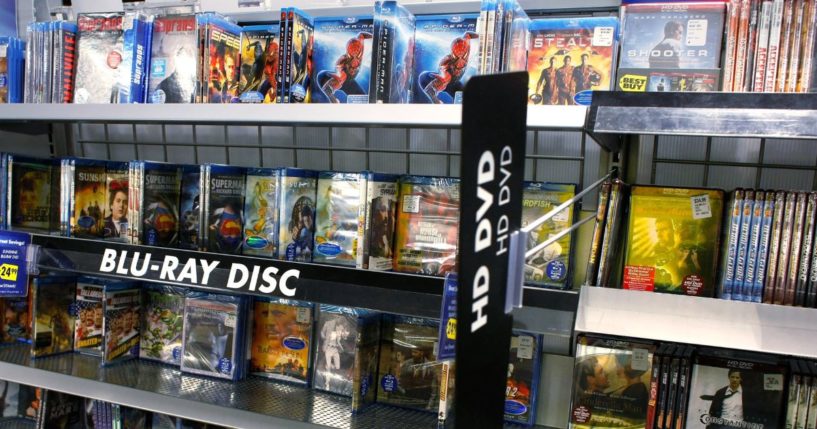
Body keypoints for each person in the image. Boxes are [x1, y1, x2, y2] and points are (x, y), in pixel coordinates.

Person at [417, 32, 479, 104]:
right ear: (453, 54)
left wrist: (482, 36)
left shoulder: (466, 45)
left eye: (463, 57)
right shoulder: (446, 66)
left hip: (453, 83)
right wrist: (436, 101)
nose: (460, 61)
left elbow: (468, 34)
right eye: (456, 58)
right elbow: (429, 89)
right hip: (435, 80)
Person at [317, 32, 373, 103]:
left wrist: (374, 36)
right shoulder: (342, 64)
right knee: (339, 81)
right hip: (330, 78)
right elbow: (327, 88)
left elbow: (361, 34)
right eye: (352, 57)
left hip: (348, 81)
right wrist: (334, 100)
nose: (355, 59)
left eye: (357, 56)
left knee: (363, 100)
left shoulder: (359, 44)